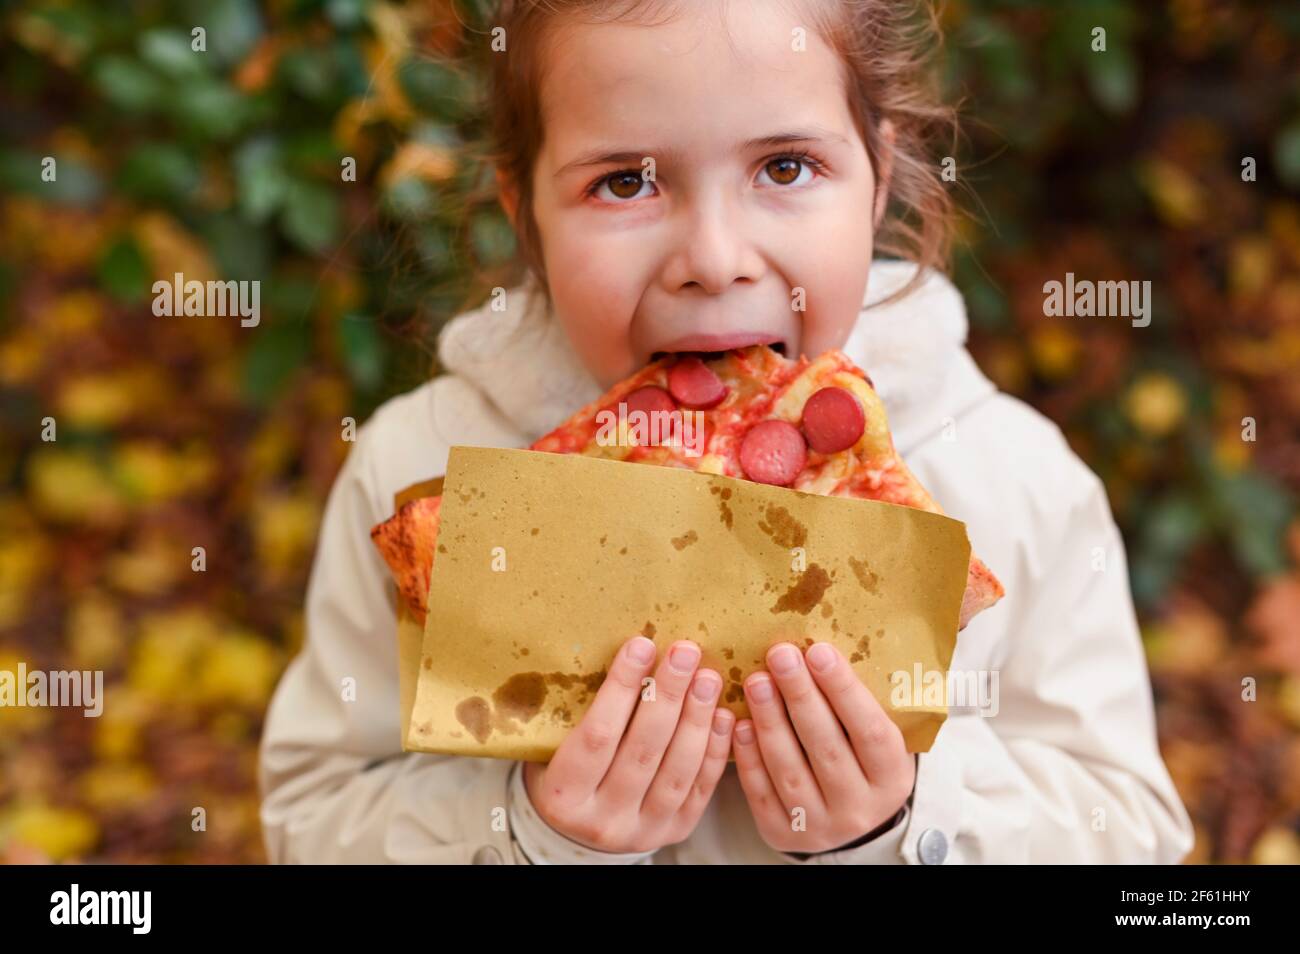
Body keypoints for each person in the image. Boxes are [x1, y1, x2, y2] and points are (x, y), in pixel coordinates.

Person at [258, 0, 1194, 864]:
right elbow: (314, 815)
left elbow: (1132, 836)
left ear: (876, 182)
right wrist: (524, 834)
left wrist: (913, 821)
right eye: (625, 181)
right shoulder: (423, 478)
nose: (711, 259)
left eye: (785, 167)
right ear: (524, 216)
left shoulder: (1013, 481)